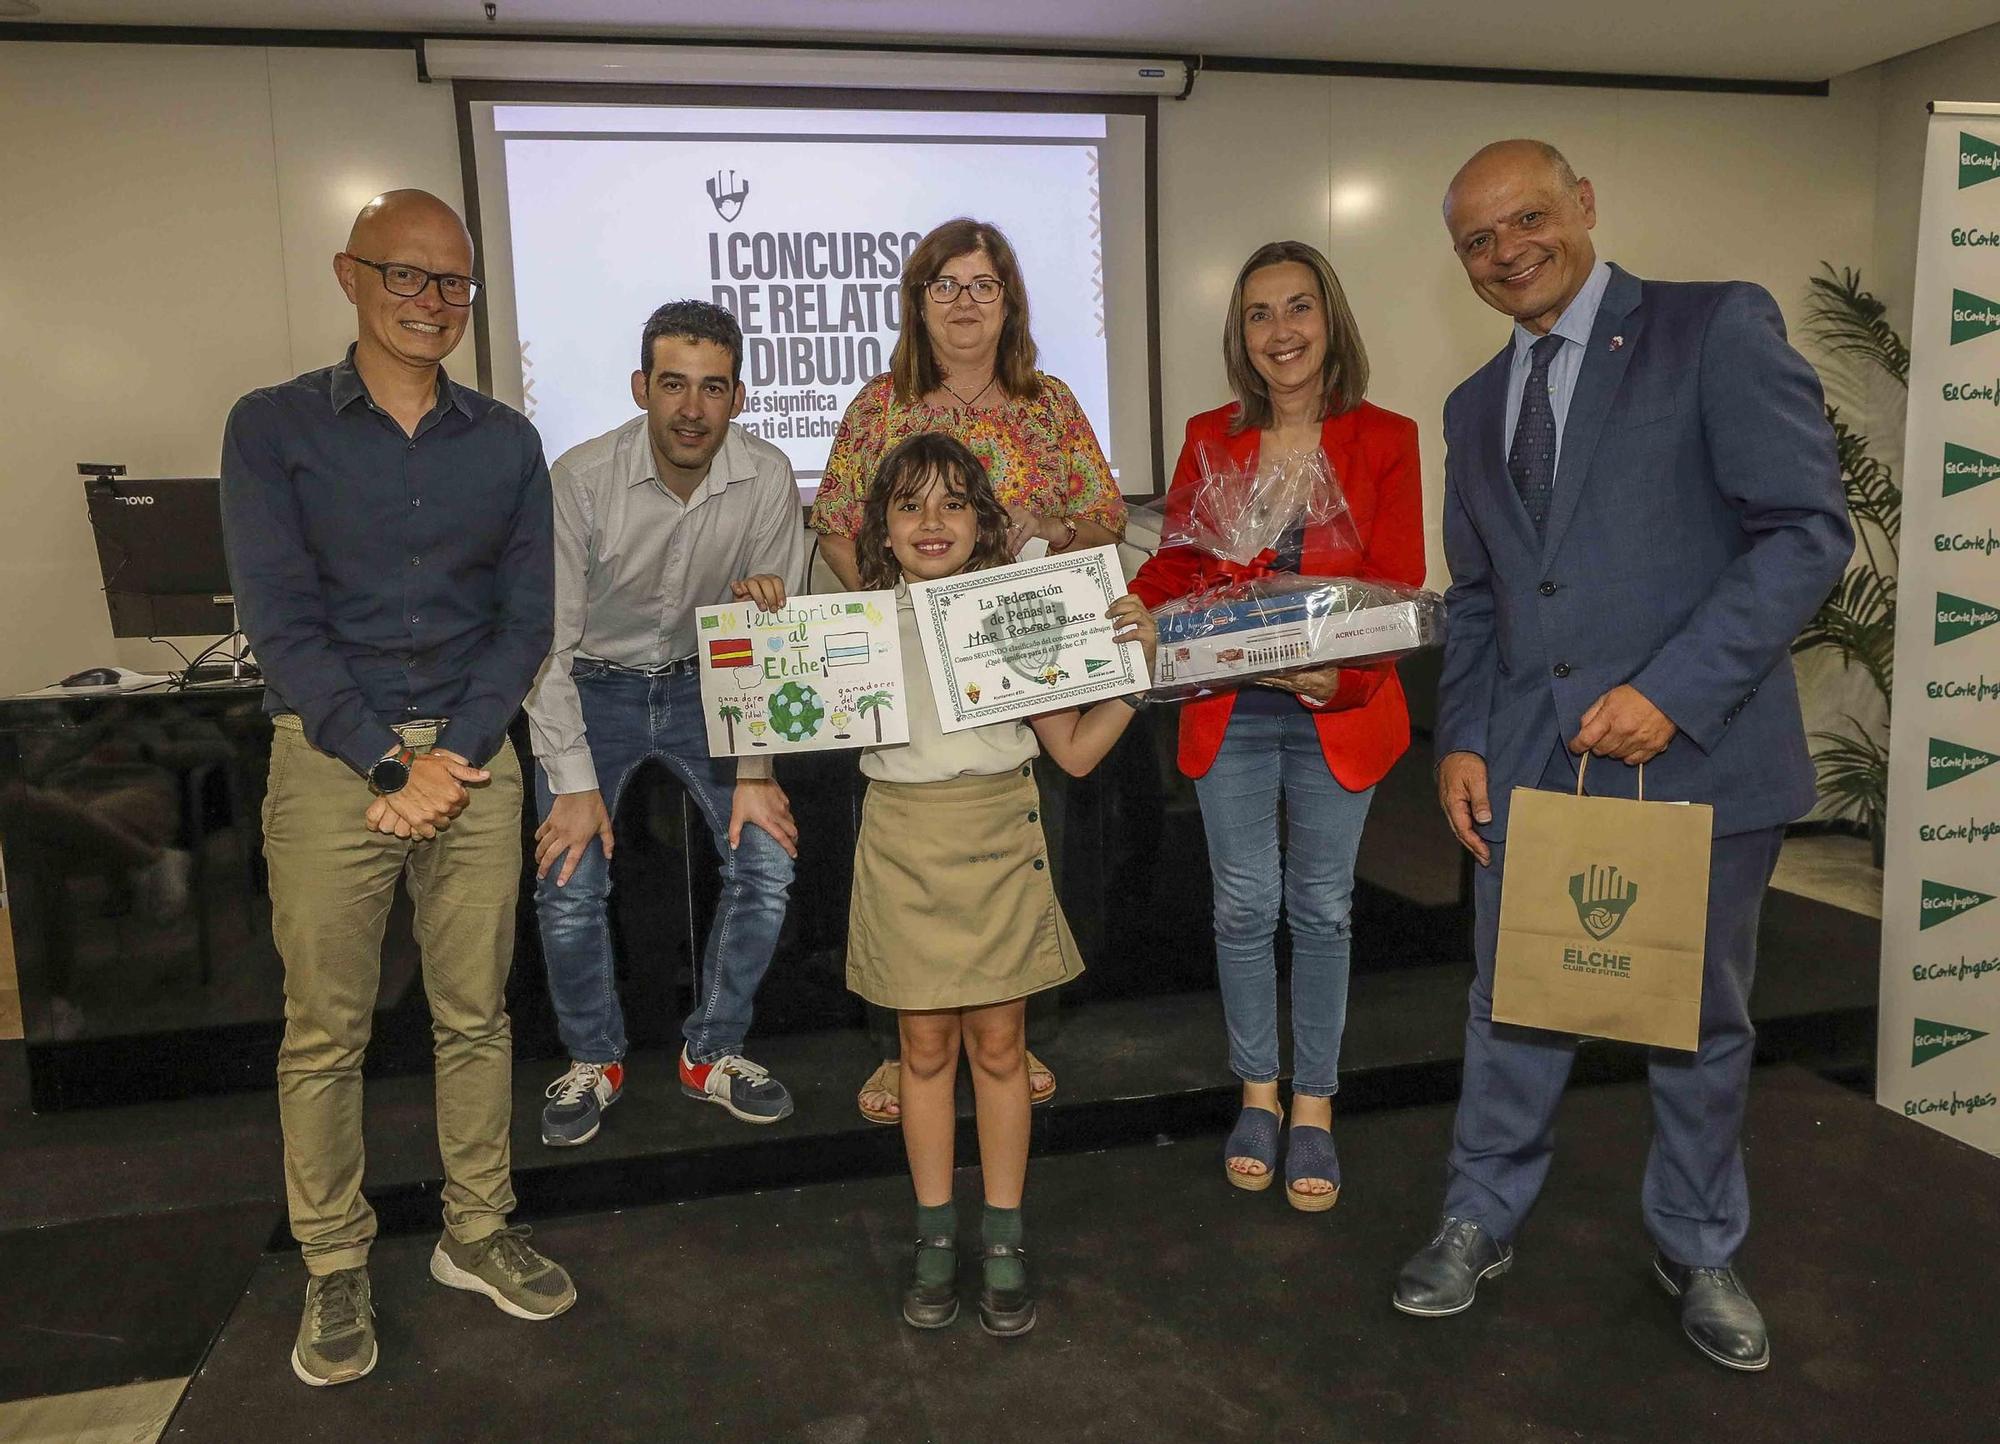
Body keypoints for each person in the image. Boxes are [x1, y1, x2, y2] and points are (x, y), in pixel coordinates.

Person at [1391, 141, 1851, 1372]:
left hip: (1695, 759)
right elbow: (1482, 598)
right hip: (1534, 771)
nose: (1505, 251)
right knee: (1509, 1006)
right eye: (1476, 240)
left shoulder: (1713, 329)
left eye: (1527, 217)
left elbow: (1805, 531)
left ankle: (1697, 1243)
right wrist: (1462, 742)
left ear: (1583, 206)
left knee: (1698, 1022)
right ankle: (1477, 1214)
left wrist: (1674, 689)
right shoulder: (1473, 407)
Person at [220, 189, 574, 1389]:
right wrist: (387, 761)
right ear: (349, 274)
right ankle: (333, 1261)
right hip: (332, 759)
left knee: (475, 1013)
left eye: (455, 284)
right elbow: (279, 619)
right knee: (326, 1031)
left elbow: (526, 617)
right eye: (407, 277)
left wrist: (451, 755)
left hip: (470, 754)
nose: (433, 302)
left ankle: (476, 1229)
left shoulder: (508, 441)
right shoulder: (271, 428)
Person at [810, 216, 1127, 1124]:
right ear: (917, 302)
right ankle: (902, 1046)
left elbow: (1105, 516)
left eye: (982, 285)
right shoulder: (880, 405)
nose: (963, 302)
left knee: (1018, 859)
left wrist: (1050, 533)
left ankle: (1008, 1035)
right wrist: (898, 614)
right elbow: (836, 522)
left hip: (1026, 660)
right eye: (943, 285)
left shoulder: (1050, 402)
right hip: (911, 667)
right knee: (907, 872)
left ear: (1009, 303)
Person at [1130, 242, 1423, 1211]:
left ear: (1328, 319)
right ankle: (1256, 1091)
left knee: (1324, 909)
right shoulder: (1210, 435)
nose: (1280, 331)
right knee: (1242, 909)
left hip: (1335, 707)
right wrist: (1139, 607)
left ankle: (1315, 1104)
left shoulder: (1385, 436)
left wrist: (1326, 674)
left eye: (1297, 308)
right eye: (1258, 314)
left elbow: (1395, 590)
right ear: (1239, 335)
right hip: (1231, 712)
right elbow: (1177, 560)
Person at [843, 431, 1156, 1337]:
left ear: (983, 521)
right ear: (883, 531)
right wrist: (764, 615)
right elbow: (778, 700)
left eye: (951, 503)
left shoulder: (1012, 614)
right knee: (924, 1054)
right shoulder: (856, 625)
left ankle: (1007, 1236)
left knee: (999, 1049)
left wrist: (1136, 671)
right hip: (900, 844)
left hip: (996, 839)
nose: (930, 522)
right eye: (909, 506)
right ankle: (936, 1235)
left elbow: (1078, 752)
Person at [523, 300, 808, 1146]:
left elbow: (772, 641)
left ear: (739, 397)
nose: (692, 408)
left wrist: (756, 775)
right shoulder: (579, 479)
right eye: (674, 385)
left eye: (713, 388)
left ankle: (712, 1050)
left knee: (768, 862)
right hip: (590, 685)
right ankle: (593, 1059)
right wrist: (573, 787)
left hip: (705, 684)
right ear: (642, 387)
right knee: (569, 879)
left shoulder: (766, 475)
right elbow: (546, 645)